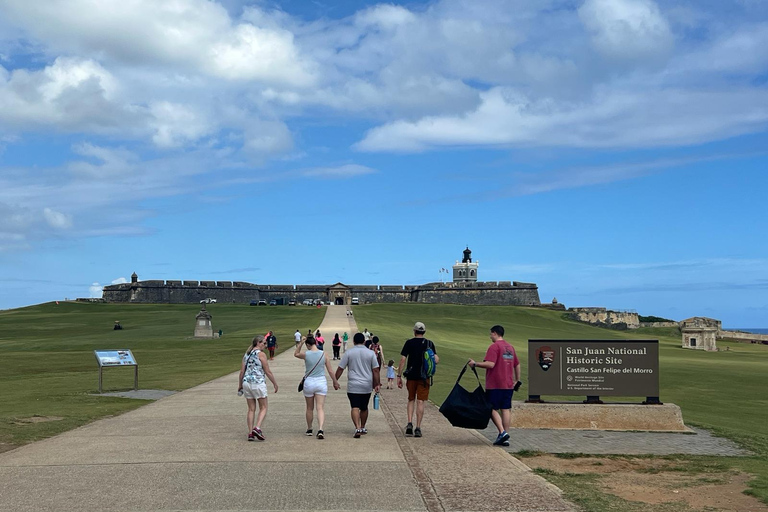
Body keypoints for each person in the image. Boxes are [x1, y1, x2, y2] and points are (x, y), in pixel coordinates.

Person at [469, 325, 521, 446]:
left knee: (490, 407)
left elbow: (491, 364)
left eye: (491, 334)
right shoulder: (510, 347)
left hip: (495, 384)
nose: (490, 336)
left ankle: (502, 432)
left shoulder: (494, 347)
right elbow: (517, 364)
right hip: (508, 384)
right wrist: (517, 380)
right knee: (506, 409)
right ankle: (506, 436)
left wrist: (475, 364)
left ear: (495, 333)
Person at [397, 321, 438, 438]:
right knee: (421, 401)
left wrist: (399, 375)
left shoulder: (409, 343)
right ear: (424, 332)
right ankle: (418, 427)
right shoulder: (429, 343)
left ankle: (409, 423)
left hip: (411, 375)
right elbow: (436, 359)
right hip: (424, 377)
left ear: (414, 331)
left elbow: (403, 360)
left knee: (411, 399)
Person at [294, 335, 341, 439]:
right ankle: (320, 428)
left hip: (309, 382)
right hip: (321, 382)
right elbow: (330, 370)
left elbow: (296, 353)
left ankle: (310, 428)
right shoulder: (324, 354)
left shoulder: (306, 354)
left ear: (308, 345)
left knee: (309, 408)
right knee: (320, 408)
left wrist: (301, 343)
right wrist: (335, 382)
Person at [335, 332, 381, 438]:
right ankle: (363, 426)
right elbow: (375, 370)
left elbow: (341, 368)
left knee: (354, 406)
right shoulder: (370, 353)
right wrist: (377, 383)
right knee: (364, 407)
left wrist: (335, 380)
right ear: (364, 341)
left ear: (354, 341)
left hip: (353, 384)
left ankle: (357, 427)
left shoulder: (349, 353)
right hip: (366, 384)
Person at [237, 335, 279, 441]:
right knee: (263, 407)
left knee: (251, 409)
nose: (265, 345)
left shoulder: (246, 355)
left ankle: (250, 433)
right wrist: (274, 383)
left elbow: (242, 371)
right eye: (264, 343)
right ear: (258, 343)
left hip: (247, 382)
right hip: (258, 382)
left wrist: (240, 385)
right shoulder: (261, 354)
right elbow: (267, 370)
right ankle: (257, 428)